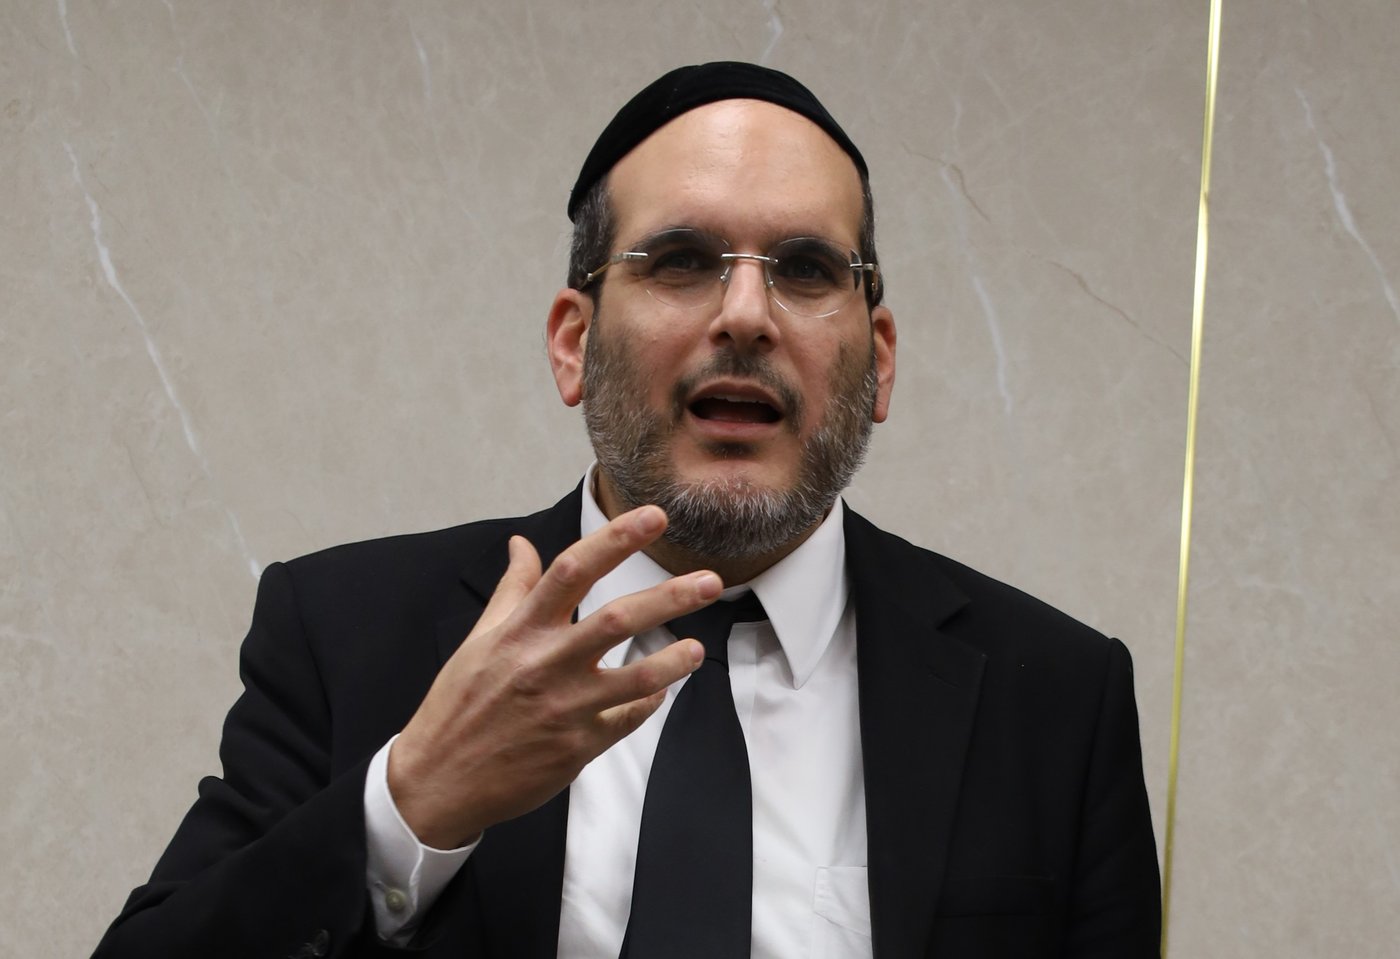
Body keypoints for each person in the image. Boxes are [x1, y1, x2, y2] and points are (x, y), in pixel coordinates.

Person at [93, 62, 1160, 959]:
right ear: (574, 342)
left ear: (877, 361)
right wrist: (408, 805)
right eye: (682, 261)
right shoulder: (344, 632)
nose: (745, 315)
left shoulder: (1058, 698)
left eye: (803, 268)